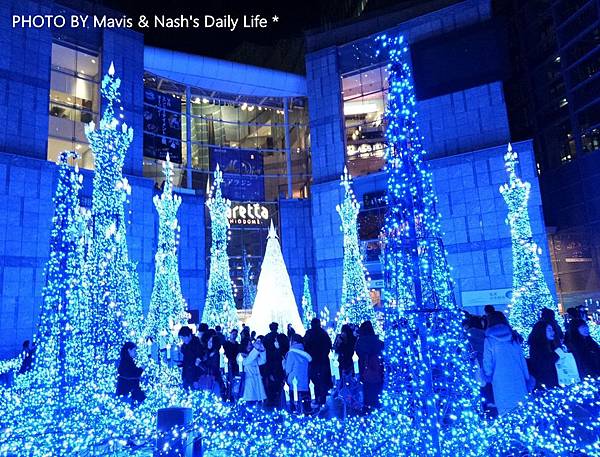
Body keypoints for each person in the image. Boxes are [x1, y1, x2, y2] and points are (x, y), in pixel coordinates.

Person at [483, 320, 531, 415]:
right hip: (517, 375)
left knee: (505, 407)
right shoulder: (513, 338)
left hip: (500, 378)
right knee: (521, 406)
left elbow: (487, 361)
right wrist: (527, 377)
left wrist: (488, 374)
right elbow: (521, 359)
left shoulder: (489, 340)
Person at [355, 321, 384, 412]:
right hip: (378, 369)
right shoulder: (377, 341)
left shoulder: (361, 341)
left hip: (365, 368)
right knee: (377, 389)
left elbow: (358, 353)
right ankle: (376, 407)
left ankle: (367, 408)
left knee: (367, 389)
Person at [303, 318, 333, 406]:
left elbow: (305, 345)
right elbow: (329, 346)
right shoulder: (323, 333)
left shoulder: (309, 333)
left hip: (313, 360)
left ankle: (317, 397)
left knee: (315, 379)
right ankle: (322, 398)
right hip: (322, 360)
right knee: (322, 379)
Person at [262, 322, 290, 408]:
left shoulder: (267, 337)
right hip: (277, 366)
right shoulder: (280, 337)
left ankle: (273, 402)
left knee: (271, 386)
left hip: (271, 363)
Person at [283, 334, 312, 414]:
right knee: (304, 405)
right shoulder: (305, 353)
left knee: (294, 406)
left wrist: (284, 363)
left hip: (293, 382)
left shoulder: (291, 353)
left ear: (293, 342)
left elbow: (288, 369)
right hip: (304, 382)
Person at [528, 320, 559, 390]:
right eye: (549, 330)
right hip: (546, 386)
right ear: (541, 331)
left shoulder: (551, 345)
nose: (553, 332)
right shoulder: (537, 347)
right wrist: (557, 355)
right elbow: (543, 364)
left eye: (552, 329)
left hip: (553, 384)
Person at [242, 336, 267, 404]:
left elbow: (262, 360)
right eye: (248, 344)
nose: (249, 346)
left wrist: (262, 350)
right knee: (249, 402)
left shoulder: (253, 355)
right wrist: (256, 349)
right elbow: (247, 361)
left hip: (257, 382)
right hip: (248, 383)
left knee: (257, 403)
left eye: (250, 344)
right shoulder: (241, 355)